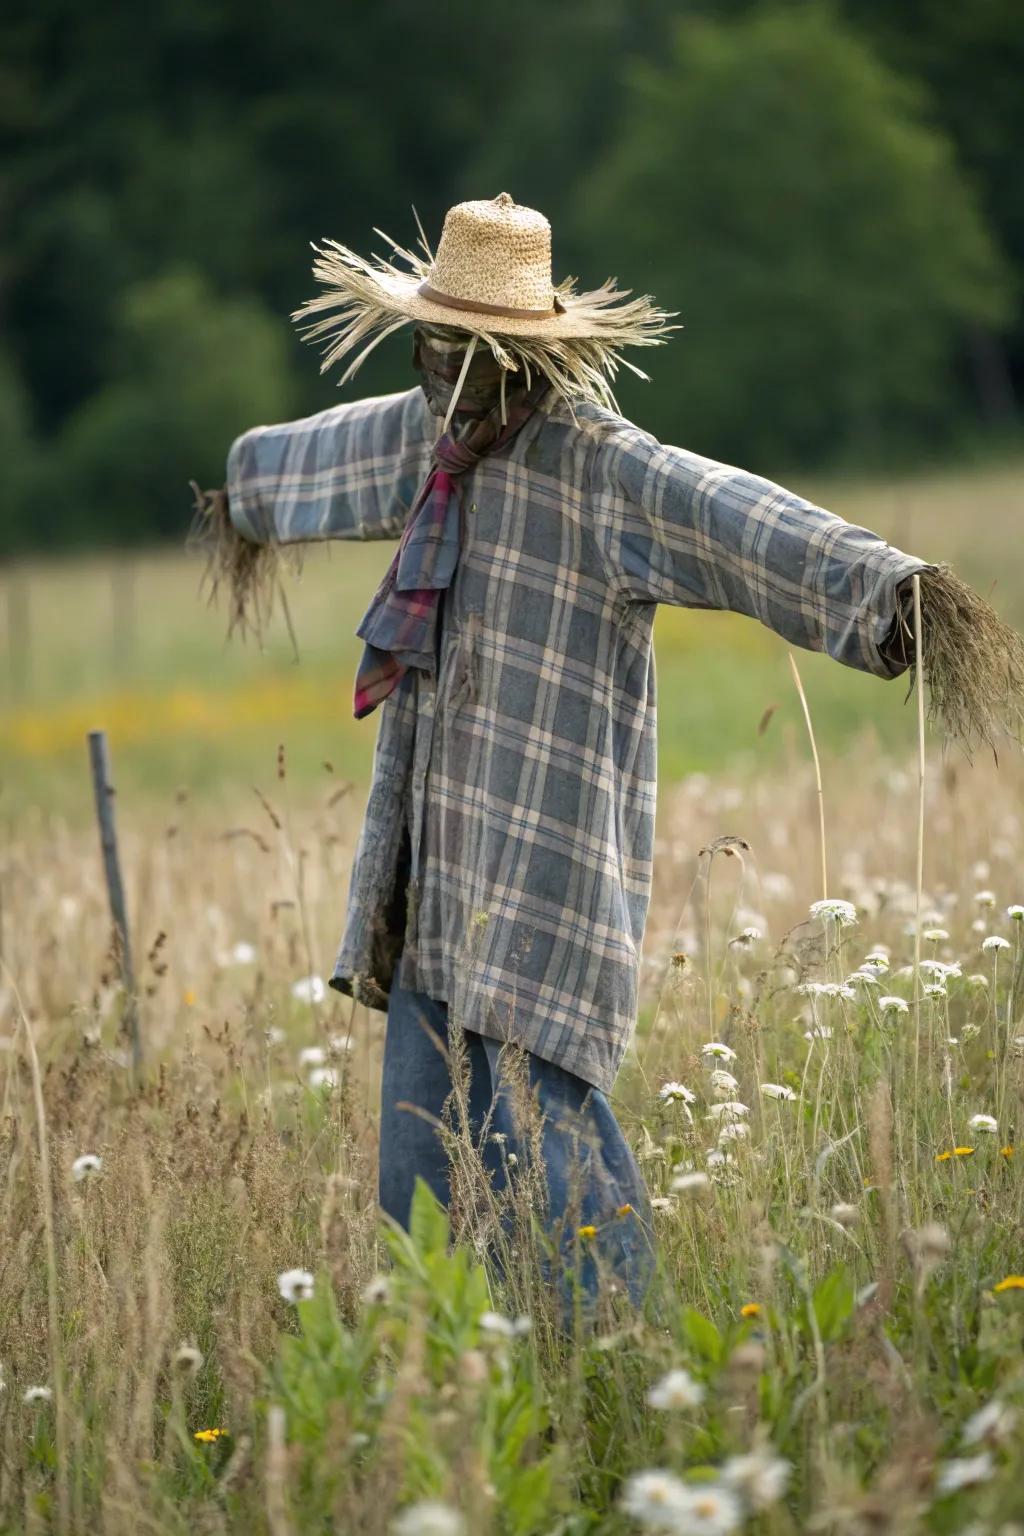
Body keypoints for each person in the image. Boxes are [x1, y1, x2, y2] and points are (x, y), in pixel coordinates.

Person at [195, 192, 1023, 1309]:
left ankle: (620, 1366)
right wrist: (242, 494)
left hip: (545, 871)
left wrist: (897, 596)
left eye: (463, 346)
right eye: (434, 344)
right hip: (431, 871)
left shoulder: (599, 468)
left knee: (552, 1151)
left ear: (517, 351)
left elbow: (738, 520)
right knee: (423, 1173)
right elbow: (312, 462)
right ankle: (451, 1374)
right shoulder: (422, 443)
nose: (444, 363)